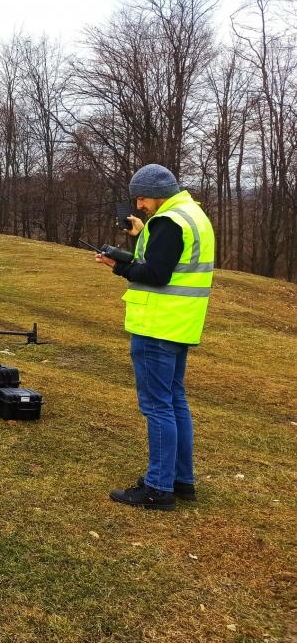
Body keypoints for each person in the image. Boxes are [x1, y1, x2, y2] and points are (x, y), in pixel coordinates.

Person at [94, 164, 215, 511]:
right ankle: (181, 480)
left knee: (157, 407)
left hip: (156, 326)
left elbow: (156, 274)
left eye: (142, 198)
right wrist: (141, 236)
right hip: (180, 324)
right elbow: (169, 261)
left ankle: (157, 488)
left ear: (157, 193)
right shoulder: (192, 215)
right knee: (175, 401)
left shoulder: (168, 221)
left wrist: (116, 265)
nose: (140, 206)